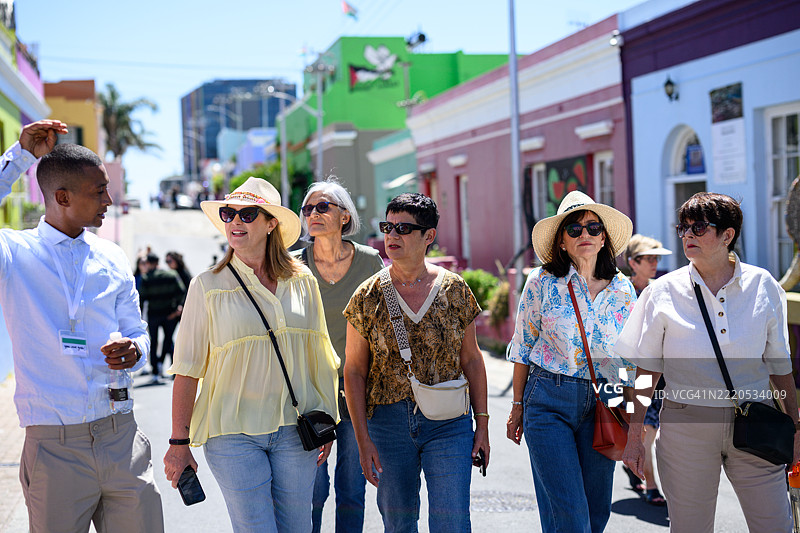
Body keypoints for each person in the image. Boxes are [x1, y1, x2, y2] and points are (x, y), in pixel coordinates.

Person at [0, 120, 164, 532]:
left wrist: (136, 351)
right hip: (55, 449)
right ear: (61, 197)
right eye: (98, 192)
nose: (109, 199)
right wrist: (20, 156)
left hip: (122, 437)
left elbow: (139, 330)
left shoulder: (112, 257)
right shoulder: (14, 254)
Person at [163, 177, 340, 533]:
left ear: (271, 222)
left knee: (298, 528)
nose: (235, 223)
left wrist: (328, 422)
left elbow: (319, 355)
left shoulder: (303, 280)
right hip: (231, 434)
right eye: (229, 214)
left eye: (247, 214)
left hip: (296, 431)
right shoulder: (207, 285)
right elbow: (187, 369)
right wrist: (178, 443)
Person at [618, 192, 799, 532]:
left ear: (727, 235)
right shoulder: (661, 292)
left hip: (757, 420)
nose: (687, 235)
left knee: (776, 525)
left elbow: (779, 366)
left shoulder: (764, 286)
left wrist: (797, 427)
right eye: (682, 228)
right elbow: (647, 370)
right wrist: (634, 433)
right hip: (686, 425)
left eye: (698, 228)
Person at [344, 193, 489, 533]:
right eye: (388, 227)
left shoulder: (455, 289)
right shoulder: (366, 296)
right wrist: (363, 441)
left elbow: (471, 358)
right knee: (399, 523)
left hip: (449, 422)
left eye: (403, 228)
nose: (391, 236)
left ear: (429, 236)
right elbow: (353, 371)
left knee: (452, 521)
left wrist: (481, 424)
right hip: (388, 424)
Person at [505, 190, 636, 533]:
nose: (585, 235)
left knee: (595, 515)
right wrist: (517, 405)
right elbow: (522, 347)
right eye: (574, 230)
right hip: (549, 400)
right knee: (570, 516)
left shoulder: (624, 290)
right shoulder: (541, 282)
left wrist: (634, 419)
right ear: (562, 241)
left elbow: (632, 358)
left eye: (593, 228)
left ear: (604, 237)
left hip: (605, 401)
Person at [292, 177, 384, 533]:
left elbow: (385, 324)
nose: (312, 214)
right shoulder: (293, 267)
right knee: (312, 490)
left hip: (358, 393)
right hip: (309, 395)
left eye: (322, 207)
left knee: (352, 488)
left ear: (344, 217)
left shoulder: (370, 262)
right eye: (307, 209)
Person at [622, 234, 671, 505]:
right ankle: (651, 485)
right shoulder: (622, 292)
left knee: (652, 431)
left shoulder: (659, 292)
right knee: (644, 432)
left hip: (660, 375)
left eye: (656, 258)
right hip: (628, 376)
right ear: (633, 262)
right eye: (648, 258)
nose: (654, 263)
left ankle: (638, 469)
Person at [138, 252, 185, 381]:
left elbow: (142, 298)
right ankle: (170, 366)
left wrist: (140, 316)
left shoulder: (147, 278)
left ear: (148, 263)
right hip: (169, 314)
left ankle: (155, 370)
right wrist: (176, 307)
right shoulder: (171, 275)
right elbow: (181, 291)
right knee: (168, 340)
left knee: (154, 342)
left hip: (154, 314)